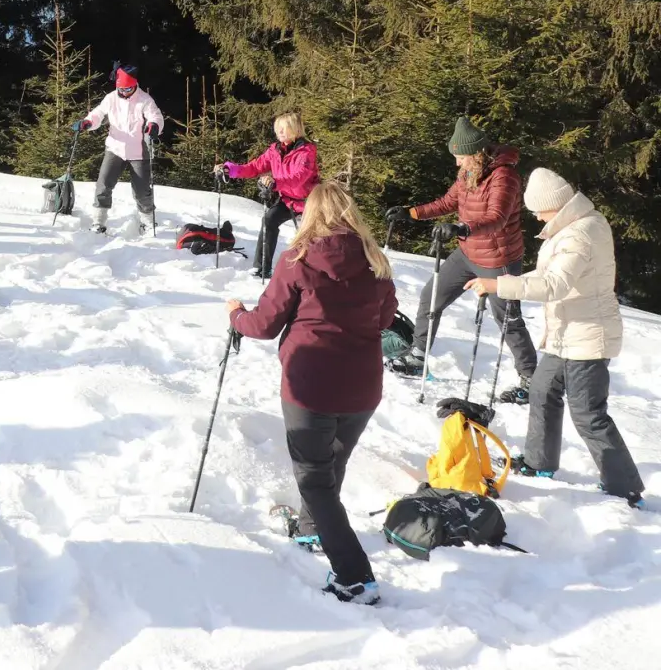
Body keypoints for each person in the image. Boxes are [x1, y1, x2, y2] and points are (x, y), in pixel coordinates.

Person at [227, 181, 397, 606]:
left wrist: (236, 315)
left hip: (309, 385)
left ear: (311, 215)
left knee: (315, 478)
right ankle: (310, 528)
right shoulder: (376, 262)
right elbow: (387, 316)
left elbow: (263, 325)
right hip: (362, 387)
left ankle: (354, 576)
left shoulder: (296, 261)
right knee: (330, 465)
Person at [466, 169, 645, 508]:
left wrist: (498, 286)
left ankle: (624, 488)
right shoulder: (571, 228)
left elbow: (554, 285)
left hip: (588, 336)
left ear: (554, 205)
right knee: (542, 389)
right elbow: (548, 276)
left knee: (588, 413)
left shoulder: (581, 233)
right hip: (566, 333)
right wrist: (509, 281)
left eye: (537, 209)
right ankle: (539, 462)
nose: (534, 215)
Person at [385, 117, 536, 399]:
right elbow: (448, 202)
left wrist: (462, 228)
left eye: (461, 157)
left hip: (498, 259)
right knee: (431, 296)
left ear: (477, 154)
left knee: (508, 319)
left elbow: (497, 218)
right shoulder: (468, 173)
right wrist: (410, 213)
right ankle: (418, 355)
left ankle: (531, 380)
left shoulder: (504, 176)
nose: (458, 163)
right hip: (467, 252)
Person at [216, 112, 321, 279]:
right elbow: (254, 167)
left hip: (310, 200)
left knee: (312, 236)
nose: (279, 131)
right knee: (268, 221)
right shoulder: (275, 150)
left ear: (295, 129)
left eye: (284, 128)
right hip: (287, 199)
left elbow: (299, 178)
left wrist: (275, 182)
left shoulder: (306, 150)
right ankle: (261, 268)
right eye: (277, 128)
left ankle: (317, 271)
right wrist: (231, 170)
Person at [73, 64, 165, 236]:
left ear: (135, 85)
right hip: (114, 148)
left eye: (128, 88)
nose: (124, 92)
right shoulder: (111, 98)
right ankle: (98, 222)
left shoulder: (145, 99)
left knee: (142, 190)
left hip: (138, 151)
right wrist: (87, 122)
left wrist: (154, 126)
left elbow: (156, 116)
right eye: (121, 89)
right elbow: (98, 114)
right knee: (103, 185)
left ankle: (147, 222)